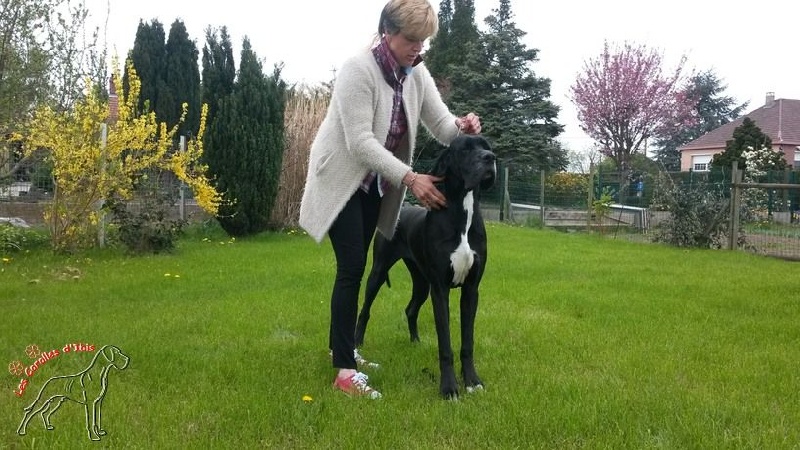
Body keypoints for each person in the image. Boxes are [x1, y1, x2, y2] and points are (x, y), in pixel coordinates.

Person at [299, 0, 482, 399]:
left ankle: (342, 349)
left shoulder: (415, 73)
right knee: (351, 268)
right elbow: (360, 142)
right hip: (342, 181)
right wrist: (411, 179)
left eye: (424, 41)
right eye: (412, 39)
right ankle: (345, 372)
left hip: (376, 185)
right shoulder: (358, 70)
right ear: (388, 31)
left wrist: (462, 126)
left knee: (356, 266)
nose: (419, 48)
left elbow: (441, 125)